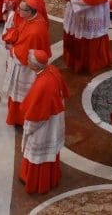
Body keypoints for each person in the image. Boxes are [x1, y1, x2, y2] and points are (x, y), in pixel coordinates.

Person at [19, 49, 68, 194]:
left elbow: (37, 116)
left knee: (39, 154)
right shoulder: (51, 69)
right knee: (50, 150)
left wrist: (28, 129)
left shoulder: (42, 85)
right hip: (54, 118)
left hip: (45, 125)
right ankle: (50, 178)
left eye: (29, 61)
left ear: (35, 66)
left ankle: (37, 182)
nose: (27, 62)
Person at [4, 0, 50, 126]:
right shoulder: (33, 18)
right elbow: (21, 31)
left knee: (21, 94)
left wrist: (11, 48)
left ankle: (19, 118)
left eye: (21, 9)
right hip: (26, 61)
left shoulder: (34, 32)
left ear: (30, 11)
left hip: (26, 68)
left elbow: (23, 55)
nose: (18, 11)